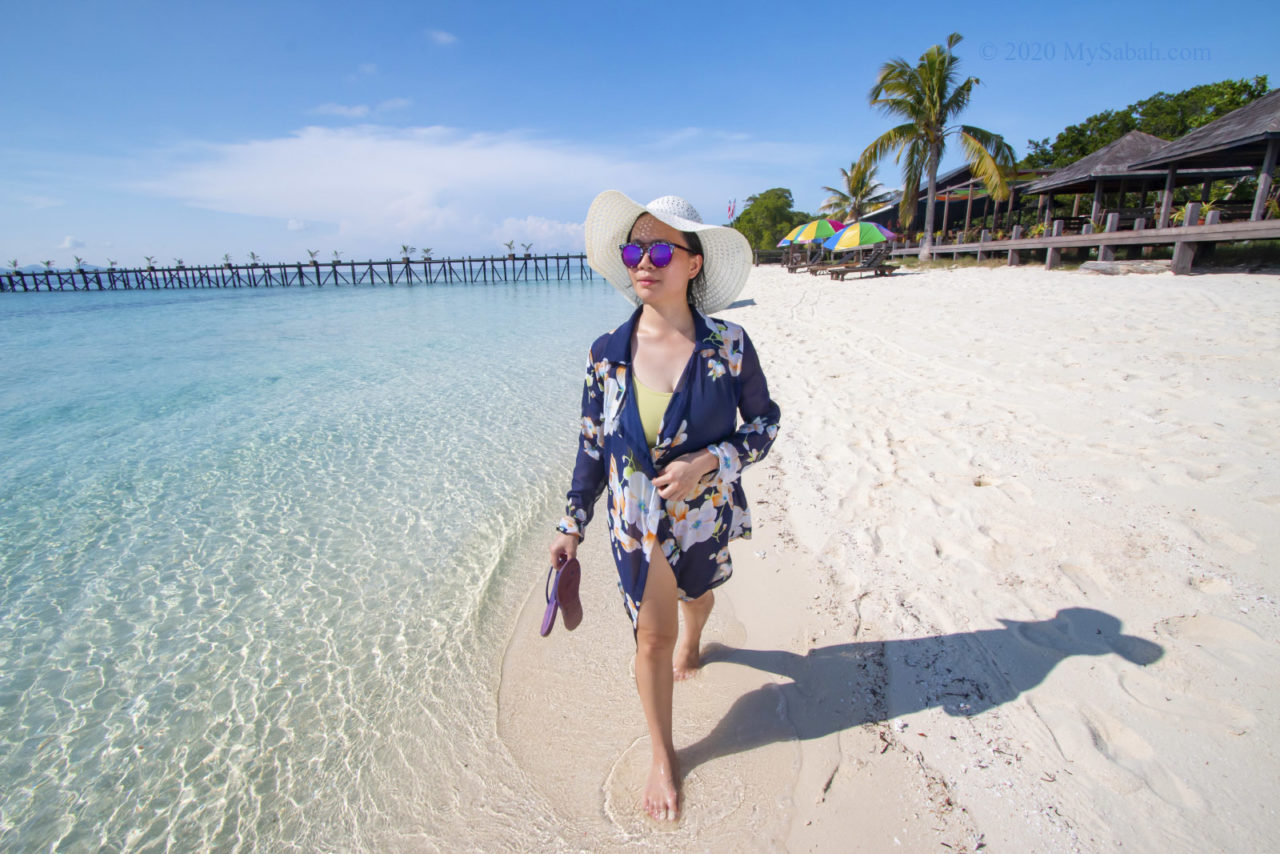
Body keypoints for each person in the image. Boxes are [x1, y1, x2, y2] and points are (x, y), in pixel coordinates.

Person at [548, 191, 781, 822]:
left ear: (694, 263)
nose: (642, 262)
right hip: (636, 525)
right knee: (651, 635)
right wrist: (572, 523)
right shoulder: (606, 353)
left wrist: (711, 460)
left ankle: (697, 634)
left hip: (704, 516)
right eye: (632, 249)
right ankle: (662, 752)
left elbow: (764, 424)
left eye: (658, 249)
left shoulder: (730, 345)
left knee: (696, 601)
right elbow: (592, 445)